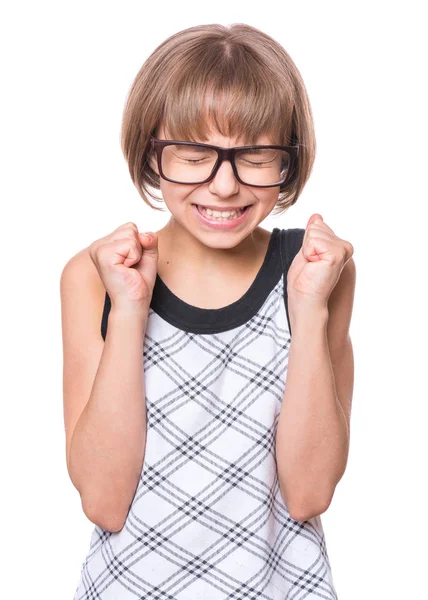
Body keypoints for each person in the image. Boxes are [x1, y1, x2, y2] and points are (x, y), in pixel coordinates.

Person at [61, 23, 355, 600]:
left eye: (256, 156)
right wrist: (127, 309)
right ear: (152, 152)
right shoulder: (93, 276)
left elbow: (309, 492)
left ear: (288, 160)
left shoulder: (315, 272)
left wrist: (309, 308)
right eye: (194, 156)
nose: (224, 186)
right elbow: (103, 499)